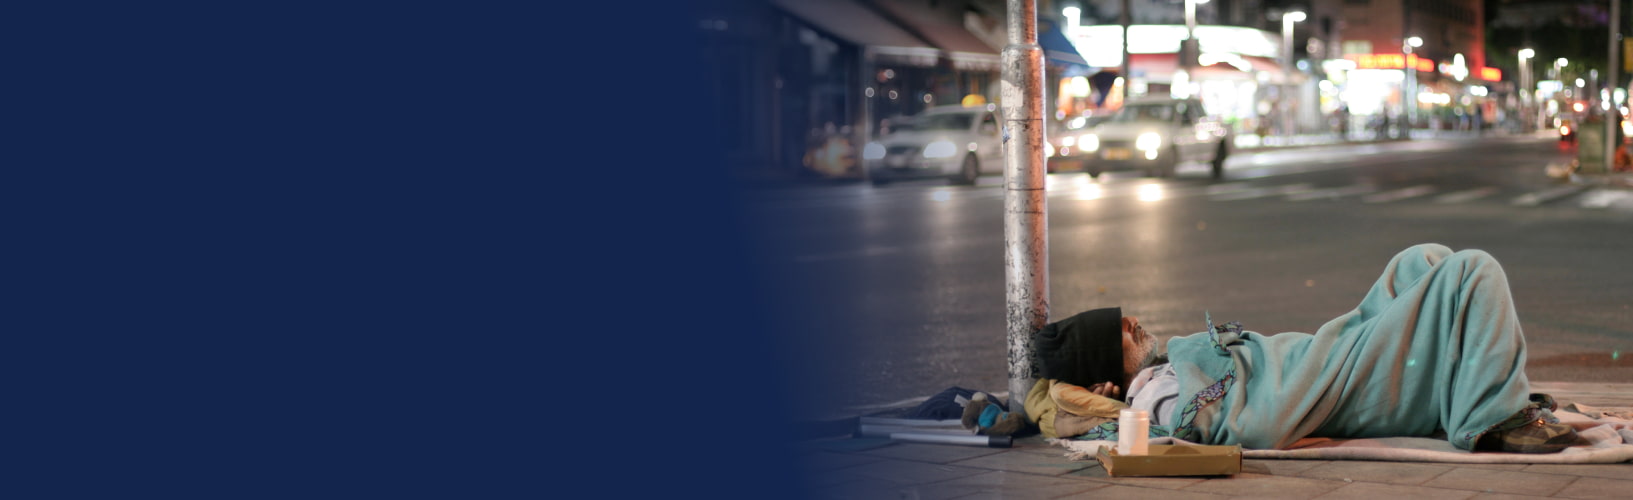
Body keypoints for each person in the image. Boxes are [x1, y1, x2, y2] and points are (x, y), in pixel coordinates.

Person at [1012, 243, 1586, 454]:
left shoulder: (1163, 373)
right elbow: (1238, 424)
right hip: (1337, 385)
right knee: (1472, 271)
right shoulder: (1159, 394)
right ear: (1105, 377)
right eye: (1118, 331)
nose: (1134, 323)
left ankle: (1462, 391)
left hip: (1328, 356)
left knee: (1421, 260)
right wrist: (1105, 408)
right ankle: (1493, 419)